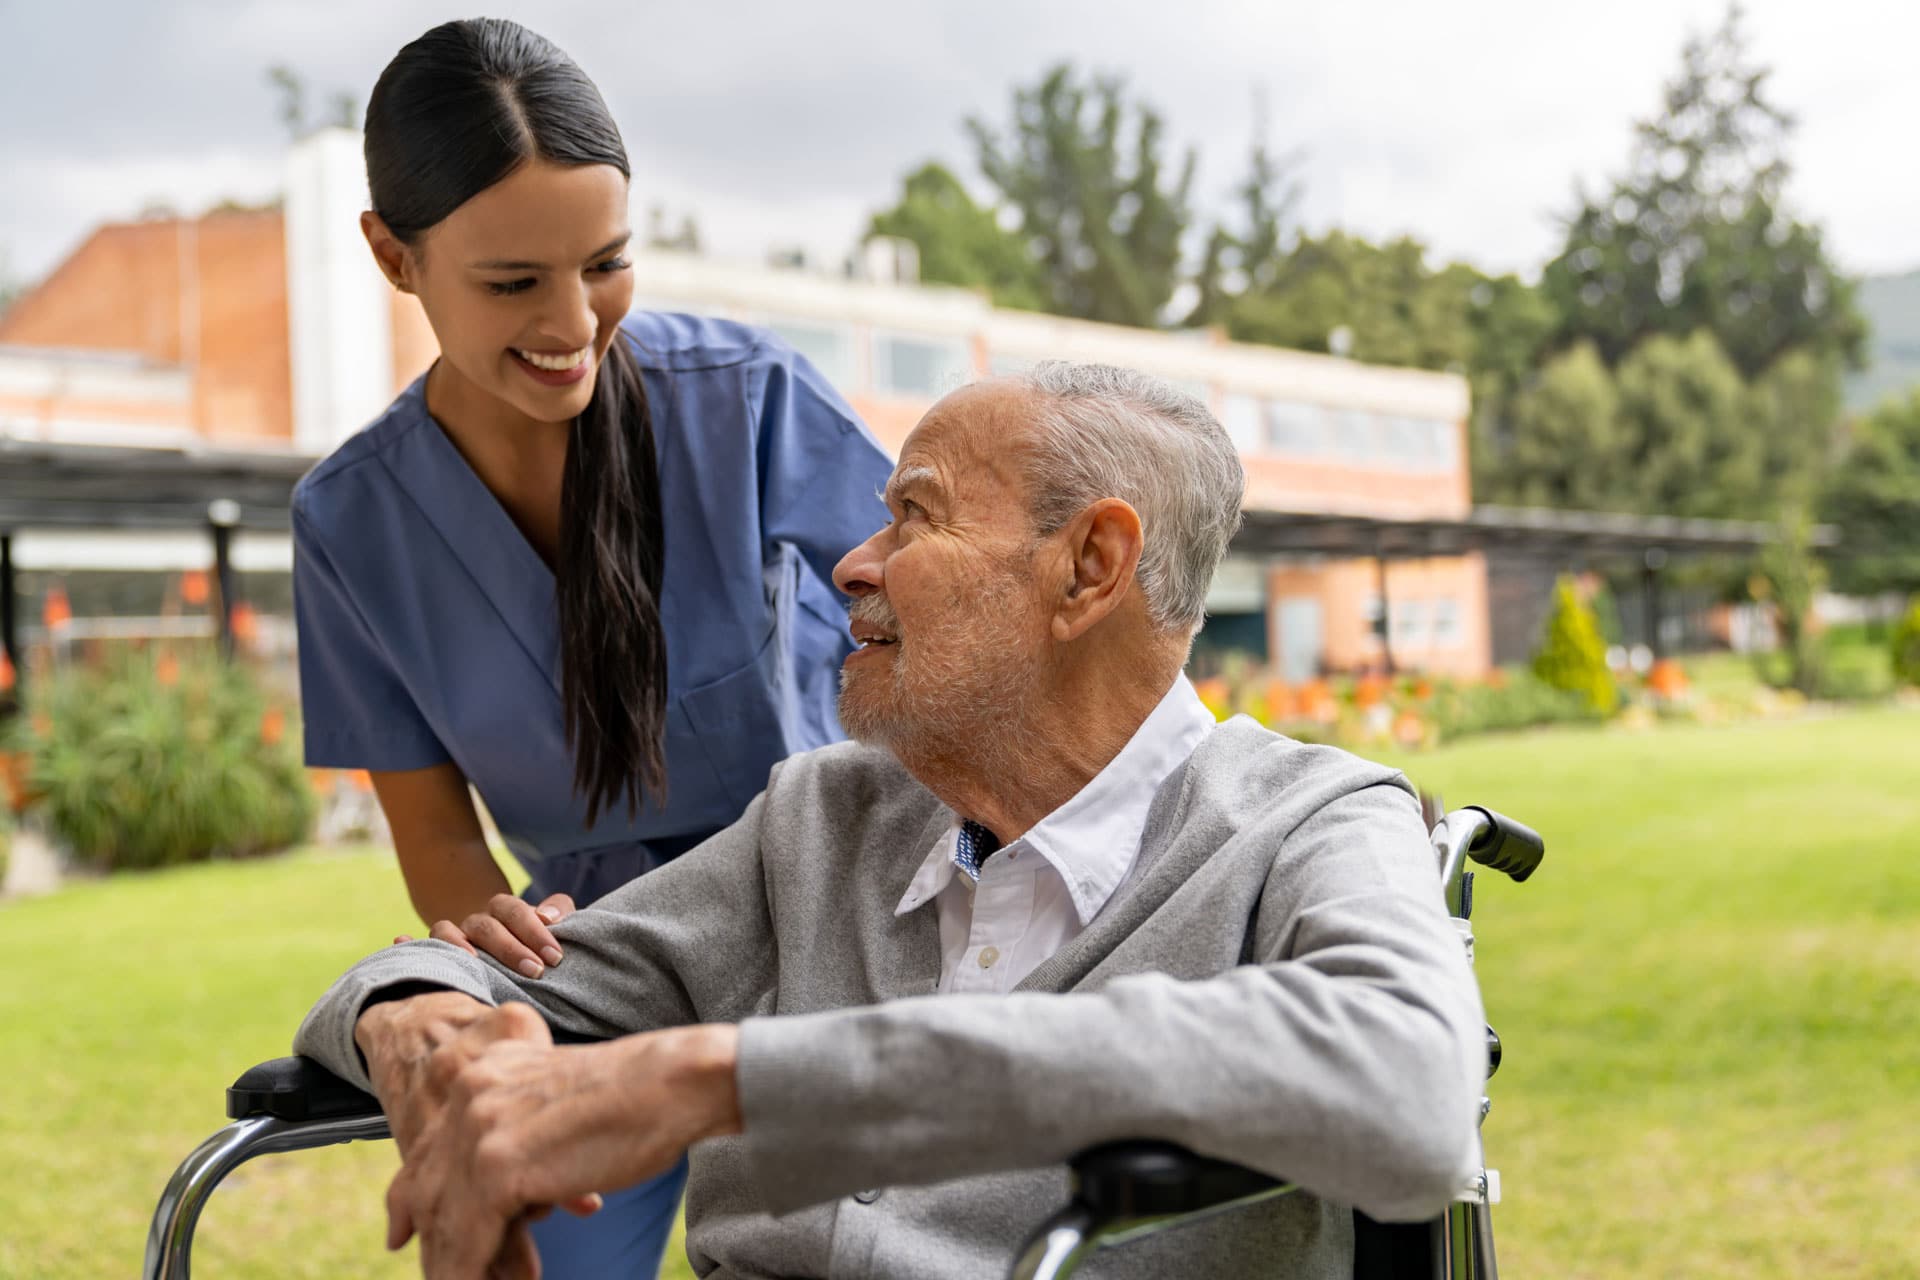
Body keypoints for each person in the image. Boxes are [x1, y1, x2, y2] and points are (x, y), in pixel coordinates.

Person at [294, 363, 1489, 1280]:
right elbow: (474, 972)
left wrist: (729, 1075)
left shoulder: (1309, 822)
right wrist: (419, 1023)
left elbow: (1414, 1085)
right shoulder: (818, 818)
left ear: (1090, 567)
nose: (848, 565)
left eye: (915, 516)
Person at [290, 18, 893, 1278]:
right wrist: (491, 937)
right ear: (393, 259)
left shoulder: (746, 397)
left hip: (835, 918)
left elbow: (942, 618)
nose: (574, 323)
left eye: (605, 264)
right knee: (505, 1235)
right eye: (513, 283)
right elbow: (442, 840)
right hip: (593, 960)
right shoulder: (350, 523)